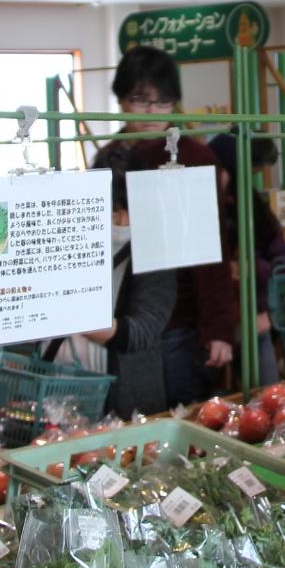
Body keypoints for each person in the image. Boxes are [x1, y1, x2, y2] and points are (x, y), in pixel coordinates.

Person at [92, 46, 239, 407]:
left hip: (181, 325)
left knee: (182, 423)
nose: (151, 113)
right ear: (122, 101)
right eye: (140, 100)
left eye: (162, 102)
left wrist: (218, 329)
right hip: (118, 323)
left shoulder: (193, 158)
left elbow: (215, 250)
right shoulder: (106, 158)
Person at [76, 149, 175, 419]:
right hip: (65, 389)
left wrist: (68, 317)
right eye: (113, 210)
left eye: (129, 211)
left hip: (125, 400)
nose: (121, 223)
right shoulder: (73, 237)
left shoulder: (156, 251)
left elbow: (141, 331)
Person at [209, 132, 285, 387]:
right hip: (210, 328)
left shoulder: (255, 211)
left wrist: (268, 311)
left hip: (254, 321)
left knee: (267, 393)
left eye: (217, 169)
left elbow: (282, 265)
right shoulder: (200, 208)